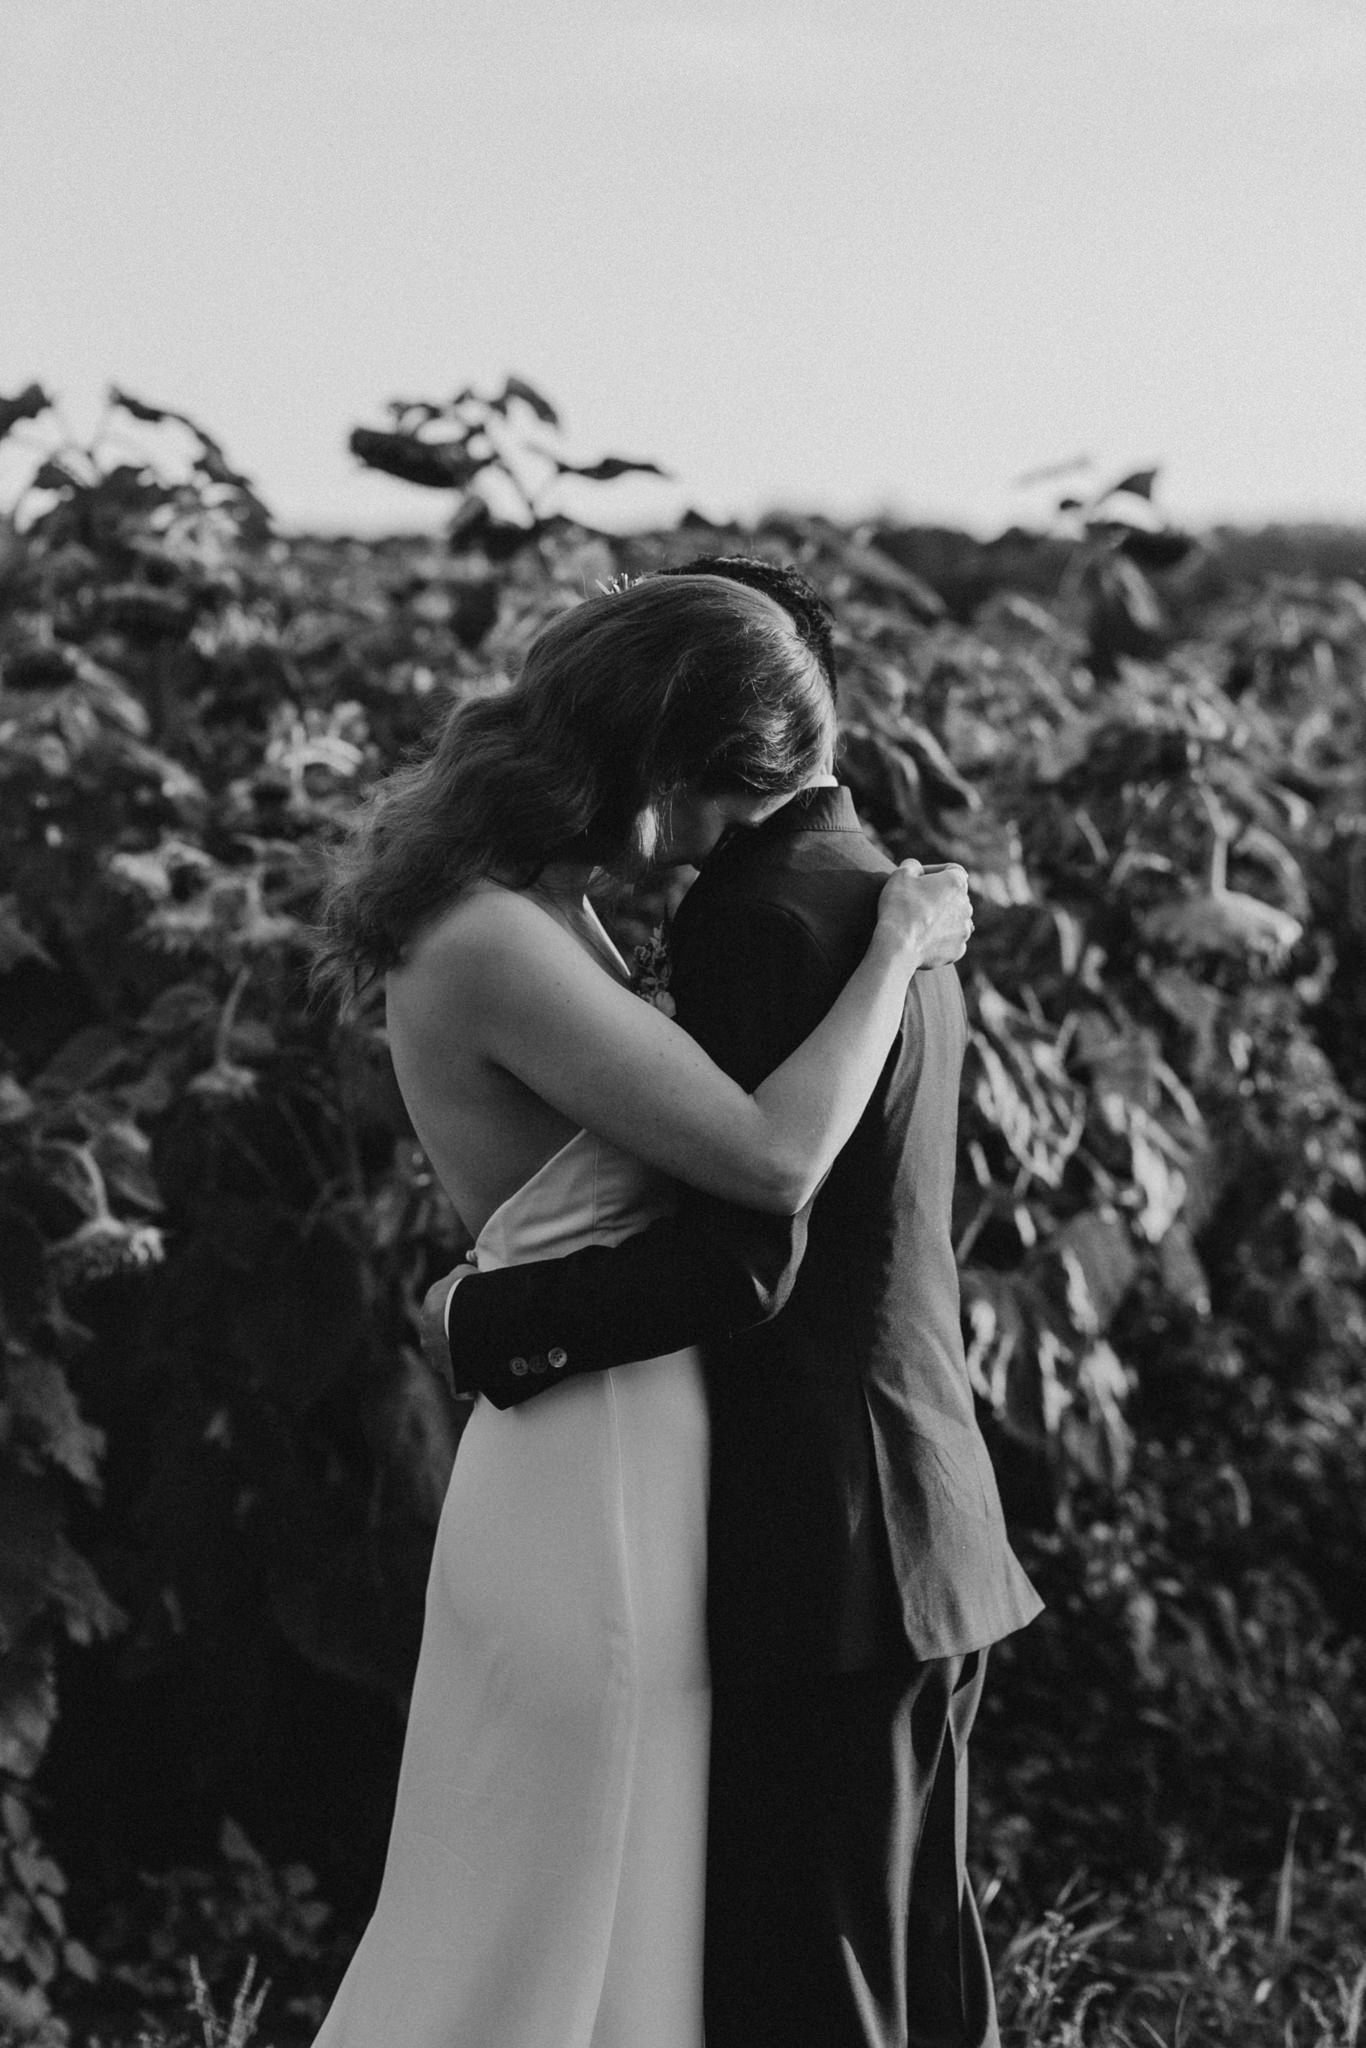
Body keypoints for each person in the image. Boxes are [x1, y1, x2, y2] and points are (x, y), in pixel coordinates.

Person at [308, 569, 975, 2048]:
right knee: (540, 1903)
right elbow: (767, 1157)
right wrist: (897, 946)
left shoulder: (543, 911)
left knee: (625, 1906)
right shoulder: (492, 939)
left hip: (647, 1428)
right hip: (592, 1456)